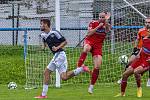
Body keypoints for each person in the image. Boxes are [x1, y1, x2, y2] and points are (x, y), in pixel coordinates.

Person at [34, 19, 90, 99]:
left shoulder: (55, 32)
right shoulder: (43, 35)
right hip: (58, 55)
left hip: (60, 54)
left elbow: (65, 42)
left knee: (46, 72)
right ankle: (81, 69)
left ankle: (43, 95)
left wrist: (57, 47)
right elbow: (44, 45)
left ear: (46, 25)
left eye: (41, 24)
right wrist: (42, 47)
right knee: (64, 77)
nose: (40, 26)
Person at [77, 12, 111, 94]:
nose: (101, 18)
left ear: (105, 18)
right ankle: (79, 65)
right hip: (90, 41)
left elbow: (107, 30)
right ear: (98, 17)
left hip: (98, 46)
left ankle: (91, 86)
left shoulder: (107, 25)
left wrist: (106, 23)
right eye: (100, 17)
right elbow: (89, 33)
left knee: (97, 66)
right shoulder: (93, 22)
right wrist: (98, 27)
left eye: (103, 17)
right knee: (86, 48)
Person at [115, 29, 150, 98]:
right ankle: (122, 93)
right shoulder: (145, 39)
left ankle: (139, 88)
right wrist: (138, 54)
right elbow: (142, 48)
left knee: (136, 72)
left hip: (147, 61)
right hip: (139, 59)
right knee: (125, 74)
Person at [117, 17, 150, 86]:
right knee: (129, 61)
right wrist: (135, 47)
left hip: (147, 51)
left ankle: (148, 81)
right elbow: (137, 39)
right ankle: (123, 77)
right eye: (146, 22)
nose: (147, 24)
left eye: (149, 22)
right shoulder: (141, 30)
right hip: (139, 49)